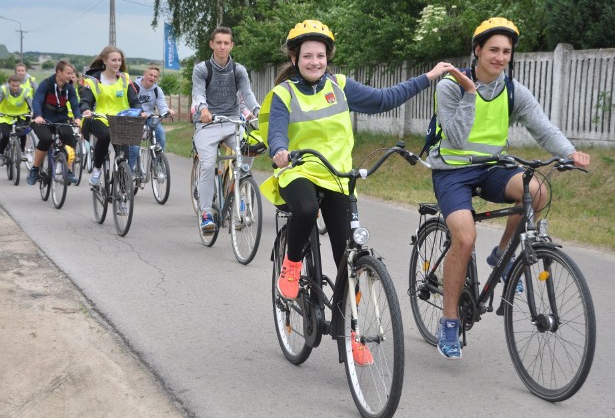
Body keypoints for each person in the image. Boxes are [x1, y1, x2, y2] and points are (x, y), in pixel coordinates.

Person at [261, 20, 454, 312]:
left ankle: (349, 334)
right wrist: (280, 150)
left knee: (347, 258)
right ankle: (291, 263)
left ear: (328, 58)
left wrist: (428, 77)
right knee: (306, 209)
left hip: (336, 175)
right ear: (294, 59)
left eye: (320, 56)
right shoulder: (284, 94)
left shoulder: (340, 86)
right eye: (308, 56)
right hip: (298, 170)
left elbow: (384, 99)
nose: (315, 62)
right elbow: (276, 130)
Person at [427, 17, 590, 360]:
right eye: (494, 50)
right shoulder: (450, 86)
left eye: (506, 51)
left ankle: (502, 253)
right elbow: (455, 136)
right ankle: (450, 319)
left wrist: (569, 152)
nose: (500, 57)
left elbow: (543, 128)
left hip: (491, 168)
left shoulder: (513, 90)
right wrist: (471, 93)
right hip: (453, 171)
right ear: (477, 51)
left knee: (537, 192)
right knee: (465, 237)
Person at [191, 26, 261, 233]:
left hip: (231, 123)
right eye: (218, 42)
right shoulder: (202, 69)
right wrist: (203, 108)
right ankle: (205, 213)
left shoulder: (238, 70)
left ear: (231, 45)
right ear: (212, 44)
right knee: (207, 164)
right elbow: (198, 93)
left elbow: (247, 94)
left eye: (226, 43)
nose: (222, 46)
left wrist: (258, 112)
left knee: (248, 150)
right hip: (207, 124)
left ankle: (238, 189)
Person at [80, 45, 143, 186]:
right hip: (99, 118)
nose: (117, 63)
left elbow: (134, 100)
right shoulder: (92, 81)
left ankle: (121, 193)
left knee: (123, 158)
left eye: (119, 60)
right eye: (114, 60)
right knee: (106, 136)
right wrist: (86, 110)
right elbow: (86, 100)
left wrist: (140, 110)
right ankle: (97, 169)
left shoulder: (125, 78)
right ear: (105, 61)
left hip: (121, 120)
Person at [27, 60, 82, 185]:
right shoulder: (46, 84)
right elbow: (37, 100)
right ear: (59, 72)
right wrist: (38, 116)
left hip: (61, 119)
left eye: (72, 73)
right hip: (43, 119)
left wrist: (78, 118)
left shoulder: (69, 88)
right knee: (46, 139)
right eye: (68, 73)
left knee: (70, 139)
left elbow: (74, 104)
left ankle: (68, 171)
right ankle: (35, 169)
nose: (70, 76)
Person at [130, 65, 175, 168]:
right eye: (150, 75)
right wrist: (138, 113)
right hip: (135, 118)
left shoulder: (157, 90)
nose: (152, 78)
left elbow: (162, 105)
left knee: (161, 135)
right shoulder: (134, 87)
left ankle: (158, 163)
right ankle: (130, 168)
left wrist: (167, 111)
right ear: (144, 75)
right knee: (134, 147)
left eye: (155, 76)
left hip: (150, 117)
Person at [0, 74, 32, 166]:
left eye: (17, 86)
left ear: (20, 84)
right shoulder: (4, 90)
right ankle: (1, 155)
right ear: (9, 84)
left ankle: (23, 151)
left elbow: (31, 103)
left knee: (22, 134)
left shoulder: (25, 92)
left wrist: (33, 112)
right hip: (5, 116)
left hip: (20, 116)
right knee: (5, 135)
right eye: (13, 86)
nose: (15, 88)